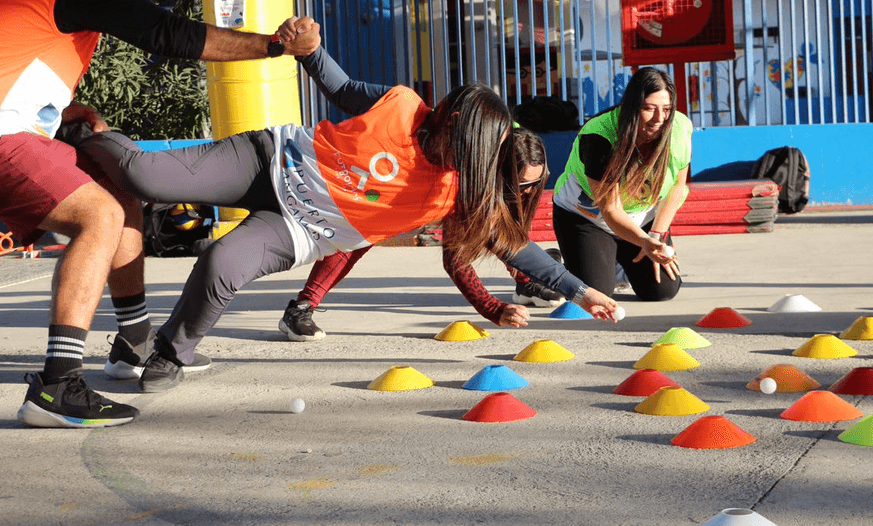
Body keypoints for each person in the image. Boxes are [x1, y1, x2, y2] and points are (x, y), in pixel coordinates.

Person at [69, 24, 619, 395]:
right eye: (472, 144)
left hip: (298, 228)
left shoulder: (456, 191)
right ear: (452, 120)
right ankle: (86, 131)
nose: (471, 158)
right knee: (144, 176)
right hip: (269, 160)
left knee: (221, 264)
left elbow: (515, 245)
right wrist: (308, 46)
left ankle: (172, 350)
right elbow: (343, 86)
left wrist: (581, 290)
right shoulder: (402, 104)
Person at [0, 0, 317, 429]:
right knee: (95, 217)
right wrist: (274, 46)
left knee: (120, 191)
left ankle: (134, 343)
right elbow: (167, 34)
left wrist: (67, 110)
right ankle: (56, 387)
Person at [280, 128, 567, 341]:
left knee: (505, 220)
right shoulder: (465, 175)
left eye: (537, 181)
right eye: (524, 183)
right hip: (396, 179)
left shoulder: (522, 152)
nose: (531, 189)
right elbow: (455, 260)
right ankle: (301, 308)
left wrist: (526, 272)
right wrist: (490, 307)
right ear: (498, 171)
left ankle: (525, 284)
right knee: (360, 235)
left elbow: (513, 228)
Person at [551, 66, 691, 300]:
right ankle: (551, 263)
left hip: (640, 218)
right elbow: (611, 209)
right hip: (587, 217)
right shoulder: (599, 137)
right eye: (649, 108)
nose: (659, 119)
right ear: (632, 106)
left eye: (666, 109)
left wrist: (655, 237)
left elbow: (677, 187)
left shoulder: (679, 127)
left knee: (661, 291)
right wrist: (644, 242)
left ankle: (617, 264)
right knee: (596, 294)